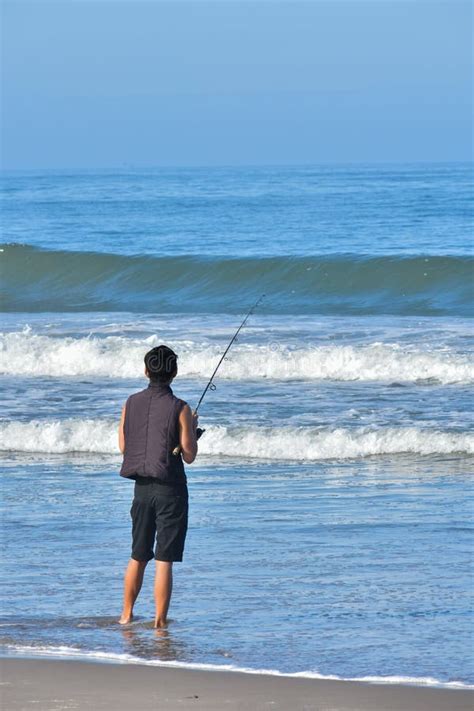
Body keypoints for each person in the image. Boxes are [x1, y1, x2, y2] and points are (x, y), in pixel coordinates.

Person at [117, 345, 198, 628]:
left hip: (141, 490)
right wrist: (192, 429)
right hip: (171, 490)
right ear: (174, 372)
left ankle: (126, 615)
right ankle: (159, 623)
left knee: (138, 554)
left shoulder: (130, 403)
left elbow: (124, 447)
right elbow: (188, 455)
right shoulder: (181, 408)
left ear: (146, 371)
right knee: (164, 558)